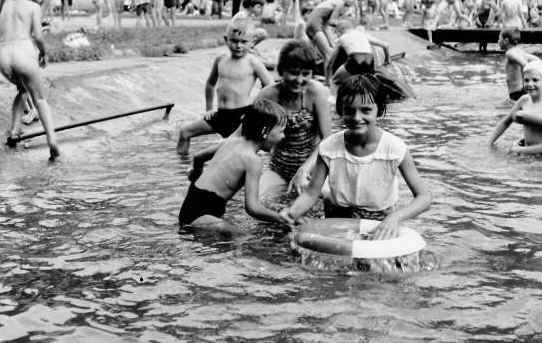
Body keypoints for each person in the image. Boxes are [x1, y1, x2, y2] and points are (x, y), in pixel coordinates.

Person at [280, 74, 431, 240]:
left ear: (379, 110)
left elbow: (423, 198)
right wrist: (291, 212)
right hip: (339, 218)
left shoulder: (394, 148)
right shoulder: (329, 148)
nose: (357, 118)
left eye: (366, 110)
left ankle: (329, 198)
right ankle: (329, 199)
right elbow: (311, 194)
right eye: (349, 111)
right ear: (340, 111)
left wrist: (394, 218)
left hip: (380, 221)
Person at [180, 100, 288, 228]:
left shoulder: (231, 141)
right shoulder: (253, 161)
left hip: (190, 203)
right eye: (281, 131)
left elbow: (198, 157)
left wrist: (195, 177)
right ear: (265, 131)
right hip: (206, 215)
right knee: (234, 236)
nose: (283, 136)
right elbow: (252, 208)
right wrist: (280, 218)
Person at [176, 18, 275, 154]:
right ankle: (182, 166)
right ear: (226, 39)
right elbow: (210, 84)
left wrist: (256, 110)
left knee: (236, 151)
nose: (238, 45)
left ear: (252, 42)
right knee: (185, 131)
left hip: (242, 116)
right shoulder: (220, 59)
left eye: (244, 42)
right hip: (220, 115)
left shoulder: (254, 63)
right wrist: (209, 108)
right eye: (234, 41)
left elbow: (271, 87)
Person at [0, 0, 61, 161]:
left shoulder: (7, 3)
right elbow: (38, 37)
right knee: (40, 99)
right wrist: (43, 53)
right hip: (23, 52)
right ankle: (52, 140)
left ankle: (15, 131)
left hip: (3, 56)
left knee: (22, 90)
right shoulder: (33, 7)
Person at [255, 41, 331, 199]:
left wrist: (303, 171)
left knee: (331, 201)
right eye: (294, 72)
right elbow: (246, 135)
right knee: (263, 202)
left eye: (305, 73)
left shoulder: (315, 93)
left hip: (313, 170)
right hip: (279, 169)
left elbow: (328, 139)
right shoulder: (267, 96)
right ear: (281, 70)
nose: (299, 79)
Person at [488, 60, 542, 163]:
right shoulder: (524, 100)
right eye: (526, 80)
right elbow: (505, 122)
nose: (530, 84)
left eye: (535, 80)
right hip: (527, 152)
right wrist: (490, 143)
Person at [498, 27, 540, 101]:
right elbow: (538, 61)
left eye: (499, 38)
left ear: (506, 40)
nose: (498, 41)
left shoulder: (509, 53)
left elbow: (527, 66)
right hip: (523, 92)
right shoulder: (521, 52)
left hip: (516, 94)